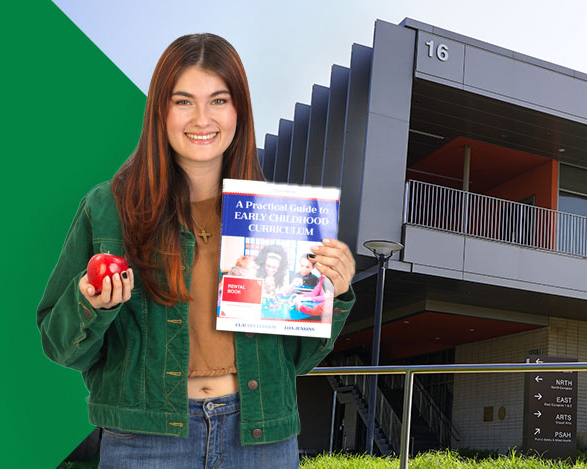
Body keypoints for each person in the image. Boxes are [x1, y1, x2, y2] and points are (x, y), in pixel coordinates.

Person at [36, 33, 357, 468]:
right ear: (160, 112)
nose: (202, 118)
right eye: (183, 101)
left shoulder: (282, 219)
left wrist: (331, 295)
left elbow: (296, 362)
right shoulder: (107, 207)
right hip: (145, 441)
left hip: (260, 436)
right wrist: (90, 304)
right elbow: (62, 347)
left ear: (239, 111)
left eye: (219, 100)